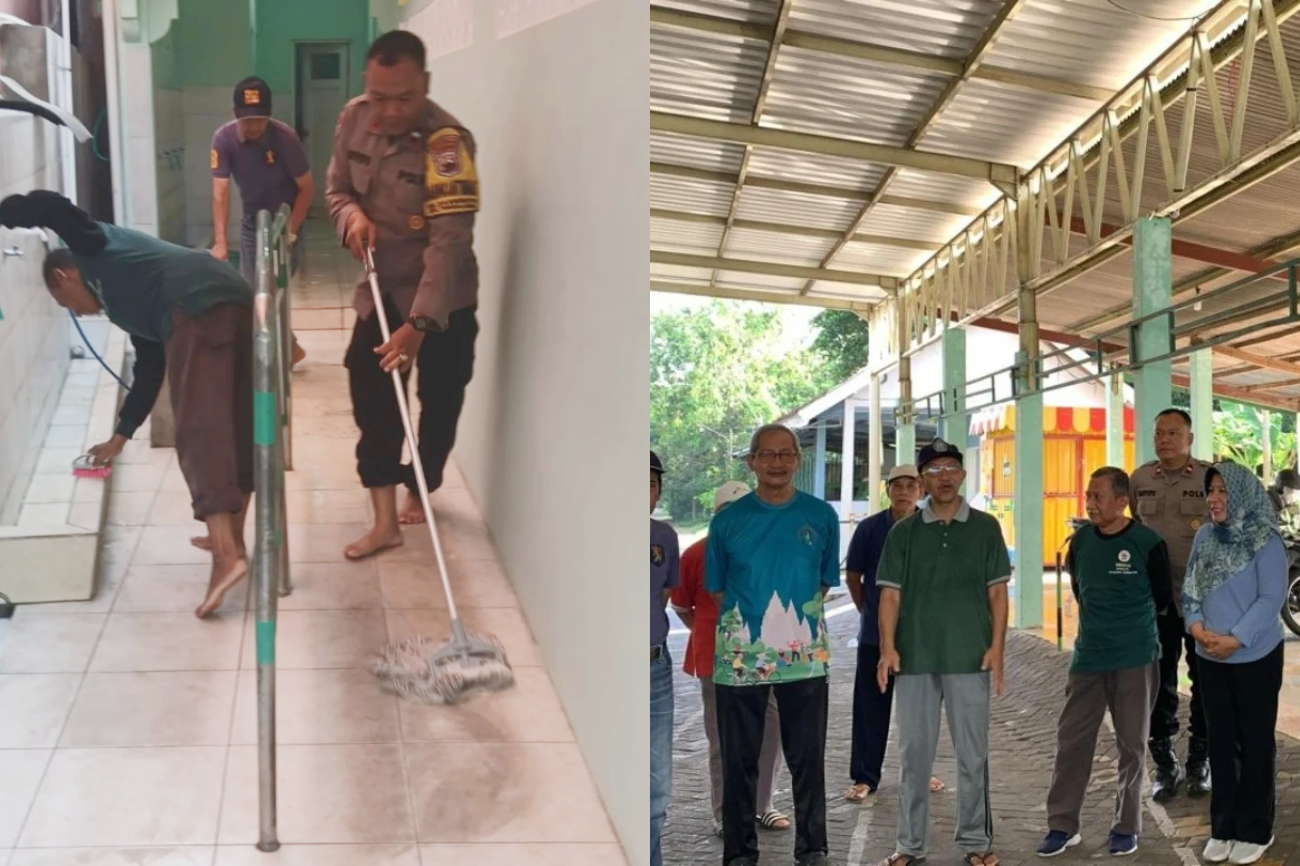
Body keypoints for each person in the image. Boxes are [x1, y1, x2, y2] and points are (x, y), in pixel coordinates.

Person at [0, 190, 253, 618]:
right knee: (234, 422)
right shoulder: (128, 302)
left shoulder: (93, 248)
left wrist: (7, 214)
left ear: (65, 276)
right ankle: (233, 538)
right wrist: (119, 438)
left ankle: (226, 555)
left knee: (198, 430)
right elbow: (149, 370)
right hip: (231, 295)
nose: (77, 315)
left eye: (66, 304)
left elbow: (55, 209)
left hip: (196, 303)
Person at [325, 29, 481, 557]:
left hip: (444, 298)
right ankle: (385, 519)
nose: (388, 112)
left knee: (439, 400)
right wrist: (352, 217)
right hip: (380, 286)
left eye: (403, 98)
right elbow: (336, 189)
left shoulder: (448, 144)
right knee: (372, 397)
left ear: (426, 84)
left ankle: (421, 485)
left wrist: (419, 324)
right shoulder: (353, 118)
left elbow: (449, 242)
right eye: (378, 97)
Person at [706, 424, 839, 866]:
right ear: (752, 462)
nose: (777, 463)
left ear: (797, 460)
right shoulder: (727, 521)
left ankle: (813, 847)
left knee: (808, 758)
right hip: (740, 660)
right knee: (739, 760)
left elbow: (822, 585)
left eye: (786, 454)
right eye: (768, 455)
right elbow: (719, 590)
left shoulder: (821, 517)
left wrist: (787, 632)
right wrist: (757, 631)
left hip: (804, 659)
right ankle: (740, 851)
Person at [874, 437, 1010, 866]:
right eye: (934, 470)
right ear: (922, 482)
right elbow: (890, 596)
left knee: (973, 757)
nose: (944, 476)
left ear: (963, 474)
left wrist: (997, 649)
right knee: (913, 758)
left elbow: (998, 594)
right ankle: (909, 845)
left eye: (951, 467)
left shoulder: (986, 527)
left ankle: (976, 841)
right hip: (914, 659)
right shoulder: (904, 532)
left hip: (970, 657)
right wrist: (887, 649)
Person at [1035, 467, 1172, 858]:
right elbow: (1081, 589)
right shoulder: (1080, 542)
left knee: (1132, 745)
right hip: (1089, 658)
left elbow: (1162, 599)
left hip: (1135, 658)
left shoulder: (1148, 542)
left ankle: (1125, 827)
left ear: (1121, 500)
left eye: (1098, 496)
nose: (1091, 503)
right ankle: (1062, 825)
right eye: (1088, 496)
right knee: (1072, 741)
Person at [670, 480, 790, 839]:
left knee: (771, 731)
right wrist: (710, 630)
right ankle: (725, 812)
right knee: (722, 739)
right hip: (715, 658)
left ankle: (762, 805)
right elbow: (680, 605)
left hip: (763, 656)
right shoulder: (695, 555)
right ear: (716, 516)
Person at [1183, 462, 1286, 866]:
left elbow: (1270, 598)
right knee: (1221, 742)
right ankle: (1223, 826)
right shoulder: (1205, 536)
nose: (1215, 499)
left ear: (1242, 493)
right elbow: (1191, 587)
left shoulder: (1266, 540)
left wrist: (1235, 638)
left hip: (1255, 655)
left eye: (1224, 490)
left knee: (1255, 742)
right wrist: (1195, 627)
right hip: (1210, 656)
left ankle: (1256, 828)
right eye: (1211, 491)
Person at [842, 464, 943, 801]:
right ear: (888, 490)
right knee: (870, 708)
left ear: (921, 489)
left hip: (920, 638)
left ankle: (921, 772)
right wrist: (870, 612)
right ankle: (865, 776)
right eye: (896, 485)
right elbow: (854, 576)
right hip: (876, 637)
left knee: (920, 709)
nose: (903, 491)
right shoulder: (870, 529)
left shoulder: (933, 528)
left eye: (910, 485)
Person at [1129, 408, 1212, 800]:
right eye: (1159, 432)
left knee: (1206, 682)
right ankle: (1165, 765)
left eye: (1173, 433)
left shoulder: (1211, 477)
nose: (1164, 439)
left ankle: (1200, 761)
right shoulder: (1140, 479)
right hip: (1156, 604)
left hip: (1203, 600)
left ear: (1189, 438)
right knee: (1158, 685)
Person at [210, 75, 310, 367]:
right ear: (234, 114)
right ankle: (280, 353)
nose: (253, 127)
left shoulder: (285, 139)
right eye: (247, 120)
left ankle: (278, 354)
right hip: (253, 227)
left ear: (270, 115)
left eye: (260, 119)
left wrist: (290, 232)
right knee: (255, 292)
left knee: (271, 289)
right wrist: (219, 242)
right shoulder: (224, 139)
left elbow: (307, 188)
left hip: (284, 225)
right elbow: (221, 191)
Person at [650, 450, 680, 866]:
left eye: (652, 483)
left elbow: (665, 596)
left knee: (656, 784)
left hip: (654, 668)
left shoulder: (665, 537)